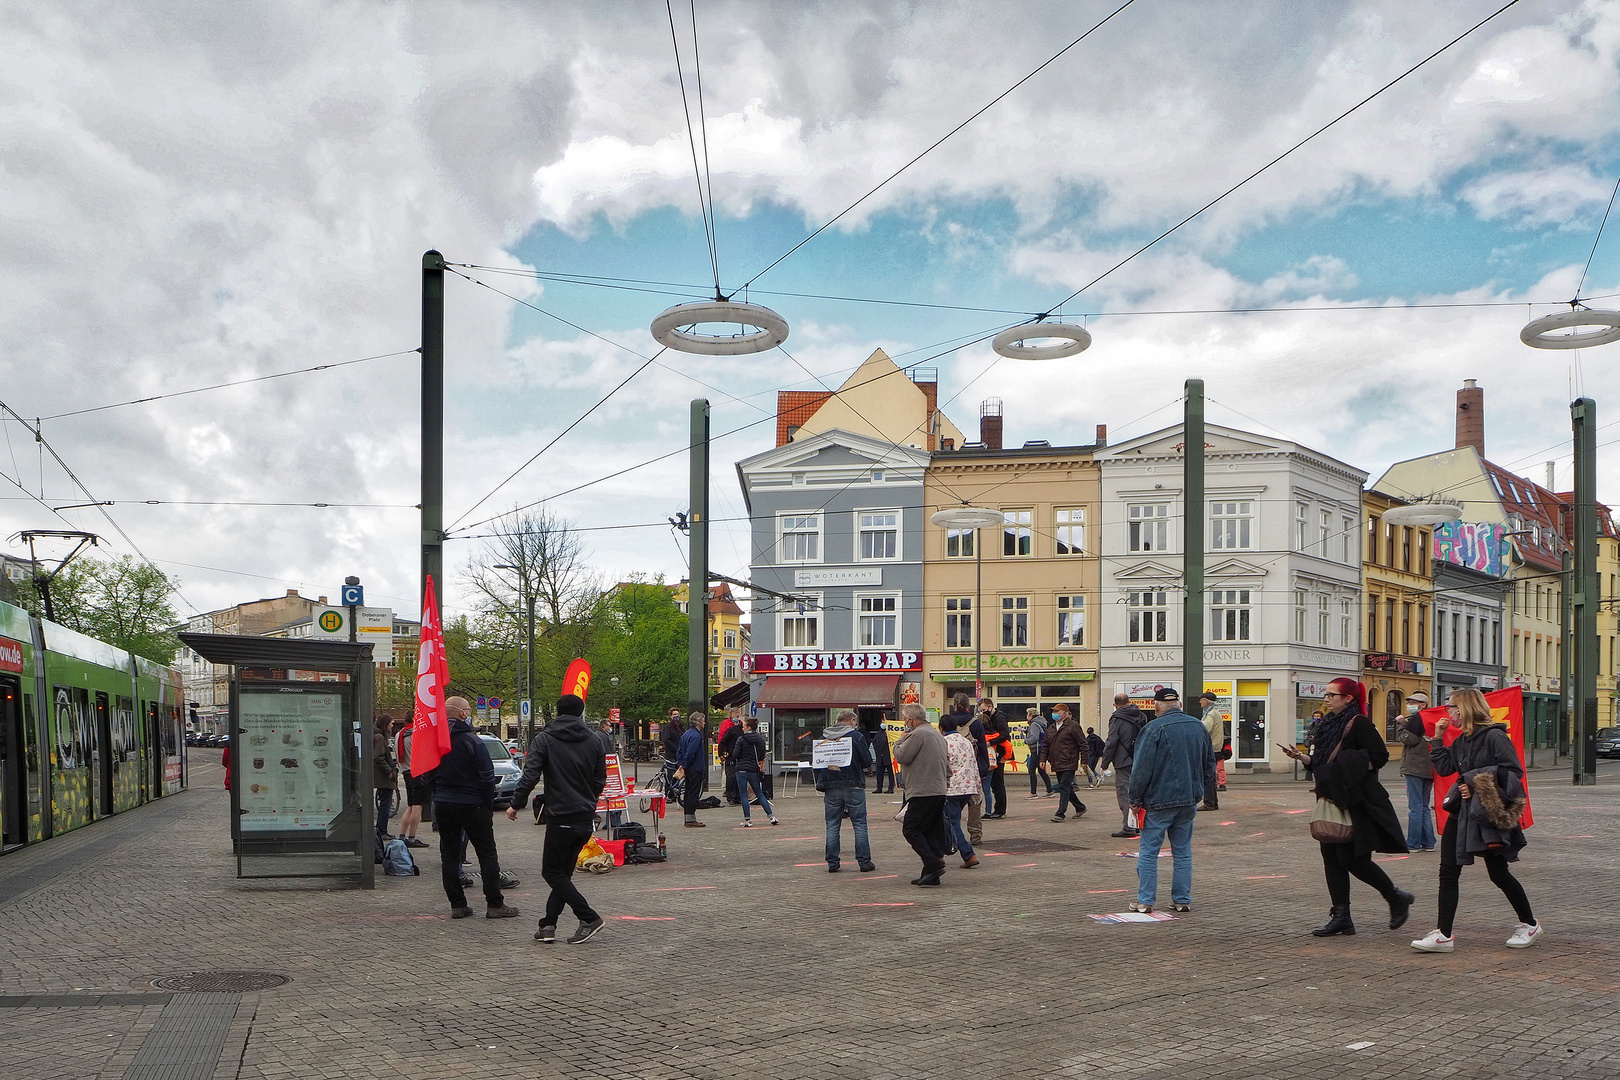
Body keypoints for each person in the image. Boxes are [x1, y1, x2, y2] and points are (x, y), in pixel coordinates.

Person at [1279, 677, 1412, 938]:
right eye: (1326, 694)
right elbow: (1322, 762)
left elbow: (1379, 756)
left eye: (1332, 695)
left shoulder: (1359, 723)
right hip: (1330, 797)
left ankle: (1395, 896)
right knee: (1331, 857)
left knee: (1354, 859)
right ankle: (1342, 916)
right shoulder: (1327, 723)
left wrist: (1349, 766)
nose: (1327, 699)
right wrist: (1302, 757)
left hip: (1356, 800)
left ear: (1348, 698)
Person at [1410, 688, 1539, 953]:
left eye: (1452, 707)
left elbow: (1512, 772)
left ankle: (1529, 923)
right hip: (1463, 812)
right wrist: (1436, 739)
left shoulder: (1494, 736)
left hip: (1487, 814)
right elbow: (1446, 768)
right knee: (1448, 871)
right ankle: (1443, 934)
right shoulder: (1461, 740)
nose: (1449, 713)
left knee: (1498, 873)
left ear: (1466, 708)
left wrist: (1473, 780)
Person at [507, 694, 607, 944]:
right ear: (581, 712)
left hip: (560, 816)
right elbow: (599, 779)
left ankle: (589, 917)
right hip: (584, 816)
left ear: (557, 712)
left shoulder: (545, 739)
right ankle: (548, 925)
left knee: (552, 873)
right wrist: (588, 801)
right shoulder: (594, 740)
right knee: (563, 874)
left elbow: (530, 775)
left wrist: (515, 804)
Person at [1126, 687, 1215, 913]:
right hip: (1188, 799)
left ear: (1156, 707)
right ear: (1180, 705)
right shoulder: (1198, 727)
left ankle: (1145, 900)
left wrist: (1135, 799)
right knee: (1182, 851)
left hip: (1157, 800)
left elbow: (1141, 769)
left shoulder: (1152, 728)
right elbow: (1209, 764)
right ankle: (1181, 899)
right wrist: (1199, 790)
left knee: (1149, 852)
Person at [433, 696, 519, 920]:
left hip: (444, 802)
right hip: (472, 803)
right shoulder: (474, 741)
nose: (470, 713)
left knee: (449, 855)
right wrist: (486, 804)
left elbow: (426, 774)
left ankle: (457, 905)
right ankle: (494, 904)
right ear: (462, 714)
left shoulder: (436, 741)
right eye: (468, 710)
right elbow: (487, 777)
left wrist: (438, 794)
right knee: (487, 854)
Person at [892, 702, 949, 886]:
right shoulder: (936, 734)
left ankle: (934, 863)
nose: (904, 722)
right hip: (938, 789)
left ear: (911, 719)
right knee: (930, 832)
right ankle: (930, 874)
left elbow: (902, 756)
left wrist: (900, 740)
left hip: (923, 790)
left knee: (911, 829)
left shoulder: (918, 734)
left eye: (905, 718)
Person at [815, 710, 874, 872]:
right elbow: (867, 761)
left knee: (832, 825)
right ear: (852, 720)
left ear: (837, 721)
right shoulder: (856, 737)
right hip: (853, 784)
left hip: (831, 786)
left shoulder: (823, 738)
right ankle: (864, 862)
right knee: (860, 824)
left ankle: (832, 863)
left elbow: (817, 763)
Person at [1098, 693, 1147, 839]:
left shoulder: (1117, 718)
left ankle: (1128, 827)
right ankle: (1138, 824)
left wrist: (1105, 763)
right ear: (1129, 702)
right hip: (1140, 759)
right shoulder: (1142, 715)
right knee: (1139, 793)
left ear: (1116, 705)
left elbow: (1111, 741)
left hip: (1123, 761)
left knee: (1124, 793)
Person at [1396, 692, 1436, 852]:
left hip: (1415, 768)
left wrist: (1401, 724)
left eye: (1413, 702)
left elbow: (1407, 739)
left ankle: (1413, 843)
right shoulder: (1431, 719)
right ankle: (1428, 842)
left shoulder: (1418, 720)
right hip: (1428, 768)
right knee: (1424, 807)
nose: (1409, 705)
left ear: (1423, 705)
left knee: (1415, 807)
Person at [940, 714, 980, 868]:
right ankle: (941, 853)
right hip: (968, 787)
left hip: (951, 788)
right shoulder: (966, 741)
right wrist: (977, 787)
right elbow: (973, 764)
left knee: (952, 822)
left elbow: (941, 765)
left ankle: (968, 855)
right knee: (949, 821)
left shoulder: (943, 742)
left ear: (941, 728)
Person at [1041, 703, 1087, 823]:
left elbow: (1083, 744)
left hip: (1069, 761)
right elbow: (1045, 745)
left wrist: (1084, 761)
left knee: (1064, 787)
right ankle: (1080, 807)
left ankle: (1060, 813)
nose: (1054, 714)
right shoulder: (1051, 728)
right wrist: (1042, 759)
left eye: (1057, 712)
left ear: (1065, 713)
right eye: (1054, 712)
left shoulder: (1073, 726)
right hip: (1056, 762)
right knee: (1065, 786)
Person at [732, 717, 779, 827]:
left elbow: (735, 755)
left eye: (743, 726)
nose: (742, 728)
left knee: (744, 794)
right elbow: (762, 755)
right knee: (759, 793)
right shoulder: (760, 739)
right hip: (753, 769)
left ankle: (747, 820)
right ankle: (771, 816)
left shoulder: (741, 739)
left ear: (748, 727)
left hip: (741, 769)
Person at [396, 723, 429, 848]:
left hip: (406, 772)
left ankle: (402, 835)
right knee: (417, 807)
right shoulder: (415, 735)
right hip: (417, 772)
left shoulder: (399, 734)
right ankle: (412, 837)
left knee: (410, 806)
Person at [678, 711, 708, 828]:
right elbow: (691, 753)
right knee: (693, 794)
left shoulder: (685, 734)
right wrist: (686, 764)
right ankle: (690, 819)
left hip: (689, 768)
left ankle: (688, 818)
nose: (704, 723)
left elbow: (680, 751)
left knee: (688, 792)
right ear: (699, 722)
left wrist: (682, 764)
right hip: (695, 768)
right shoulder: (696, 736)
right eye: (703, 721)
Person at [983, 709, 1013, 818]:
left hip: (991, 761)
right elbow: (1008, 744)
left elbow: (1005, 738)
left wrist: (1005, 757)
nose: (983, 711)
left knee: (995, 785)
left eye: (983, 709)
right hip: (994, 761)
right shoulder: (994, 733)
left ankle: (999, 810)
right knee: (994, 786)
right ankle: (997, 810)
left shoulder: (999, 718)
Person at [373, 715, 399, 840]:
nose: (392, 726)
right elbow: (379, 757)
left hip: (382, 775)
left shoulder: (378, 736)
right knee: (385, 803)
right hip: (383, 776)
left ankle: (381, 829)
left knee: (385, 802)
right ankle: (381, 830)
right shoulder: (380, 738)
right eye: (391, 723)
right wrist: (389, 771)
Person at [1197, 691, 1221, 810]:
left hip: (1211, 747)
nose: (1200, 702)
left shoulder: (1211, 714)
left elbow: (1205, 728)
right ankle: (1213, 802)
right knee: (1210, 775)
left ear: (1207, 701)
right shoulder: (1214, 712)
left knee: (1208, 776)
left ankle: (1209, 802)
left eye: (1202, 700)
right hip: (1215, 746)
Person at [1023, 706, 1054, 798]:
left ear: (1031, 715)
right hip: (1040, 748)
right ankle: (1050, 790)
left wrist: (1026, 740)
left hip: (1036, 749)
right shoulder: (1041, 722)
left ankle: (1033, 792)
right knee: (1041, 770)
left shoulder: (1034, 724)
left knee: (1031, 770)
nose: (1026, 716)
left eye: (1027, 714)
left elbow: (1035, 737)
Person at [717, 712, 741, 806]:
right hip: (730, 754)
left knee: (737, 776)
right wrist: (721, 753)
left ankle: (737, 796)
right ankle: (731, 796)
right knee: (731, 776)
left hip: (737, 755)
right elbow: (722, 740)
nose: (737, 716)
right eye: (736, 714)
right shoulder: (728, 727)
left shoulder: (740, 726)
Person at [869, 719, 895, 795]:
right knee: (879, 774)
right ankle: (879, 788)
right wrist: (877, 751)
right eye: (882, 722)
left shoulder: (890, 732)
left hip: (889, 757)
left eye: (884, 722)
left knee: (891, 774)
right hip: (880, 757)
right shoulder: (879, 733)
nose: (882, 724)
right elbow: (874, 742)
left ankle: (890, 788)